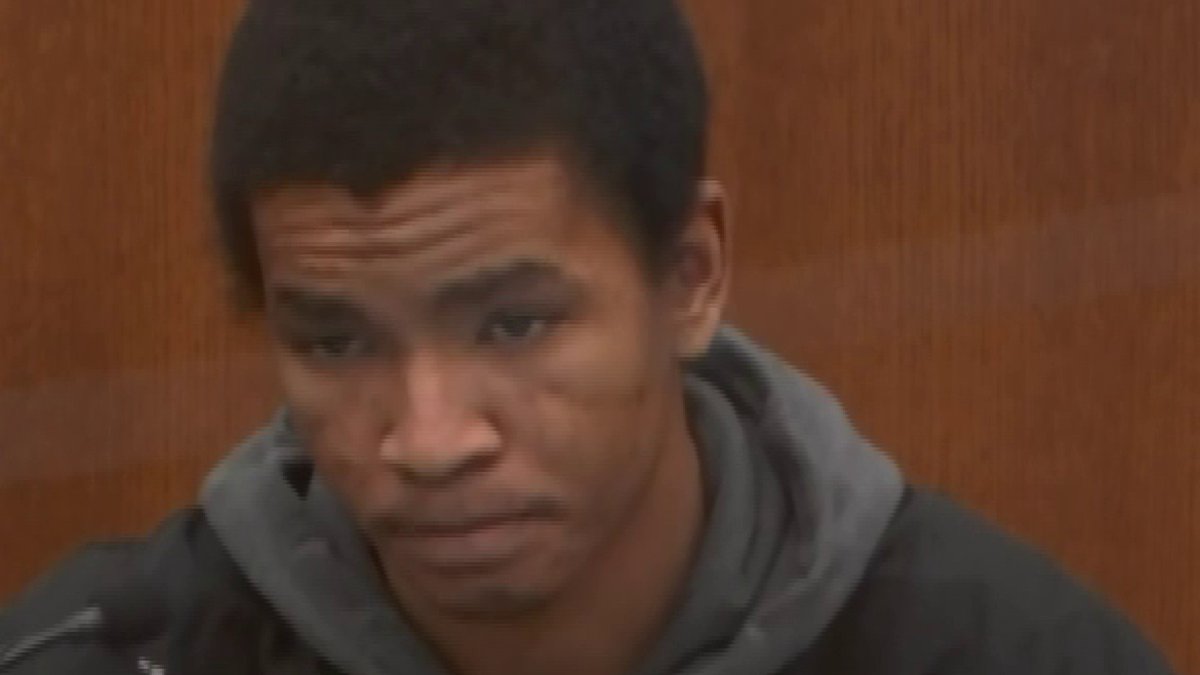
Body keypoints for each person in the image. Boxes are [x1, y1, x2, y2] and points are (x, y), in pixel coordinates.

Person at [0, 0, 1176, 673]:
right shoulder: (109, 655)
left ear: (691, 275)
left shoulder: (1008, 656)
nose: (429, 440)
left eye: (515, 324)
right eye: (339, 345)